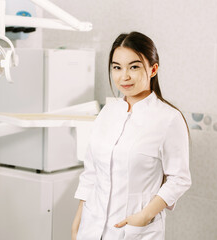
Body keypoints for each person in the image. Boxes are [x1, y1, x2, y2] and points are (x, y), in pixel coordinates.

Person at [71, 31, 191, 240]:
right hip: (90, 228)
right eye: (117, 67)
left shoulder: (168, 119)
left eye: (134, 67)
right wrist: (78, 222)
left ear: (153, 69)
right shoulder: (107, 112)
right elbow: (92, 173)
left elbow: (179, 178)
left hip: (134, 230)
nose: (123, 76)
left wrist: (144, 216)